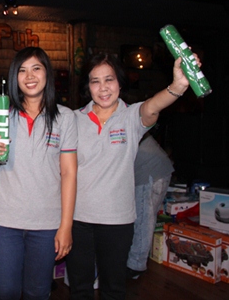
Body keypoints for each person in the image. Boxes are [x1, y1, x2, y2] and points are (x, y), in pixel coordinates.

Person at [66, 52, 201, 300]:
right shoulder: (73, 119)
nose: (103, 88)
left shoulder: (132, 116)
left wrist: (178, 86)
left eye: (109, 79)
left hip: (117, 220)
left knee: (113, 289)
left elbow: (153, 106)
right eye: (95, 81)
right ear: (88, 86)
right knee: (80, 288)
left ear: (119, 82)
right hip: (77, 219)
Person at [0, 47, 77, 300]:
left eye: (36, 68)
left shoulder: (65, 118)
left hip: (47, 223)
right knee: (4, 291)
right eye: (22, 70)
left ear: (47, 73)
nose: (29, 76)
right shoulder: (2, 115)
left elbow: (69, 173)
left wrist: (66, 226)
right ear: (15, 77)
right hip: (4, 221)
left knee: (37, 292)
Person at [127, 132, 174, 279]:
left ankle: (136, 266)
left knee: (143, 219)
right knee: (142, 218)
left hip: (151, 173)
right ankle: (134, 260)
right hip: (153, 171)